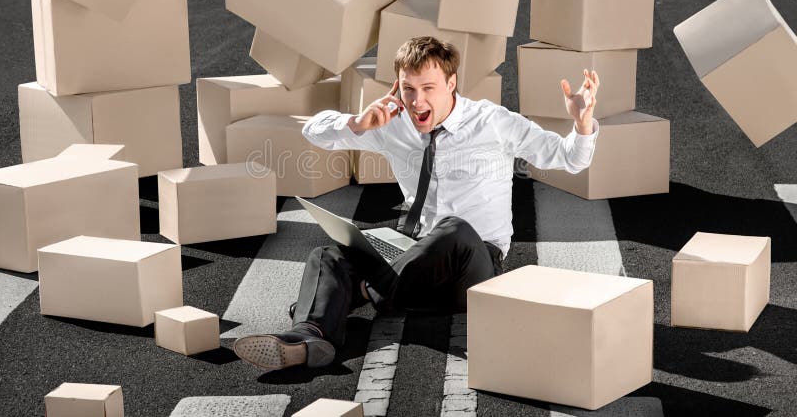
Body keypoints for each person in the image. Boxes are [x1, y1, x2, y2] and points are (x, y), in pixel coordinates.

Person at [233, 36, 600, 372]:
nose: (416, 101)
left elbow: (568, 158)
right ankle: (308, 337)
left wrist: (582, 125)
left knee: (453, 228)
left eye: (428, 88)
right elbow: (313, 130)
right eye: (408, 89)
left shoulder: (492, 122)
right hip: (413, 256)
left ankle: (360, 291)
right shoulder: (393, 122)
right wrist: (359, 123)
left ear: (451, 84)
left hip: (473, 266)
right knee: (329, 254)